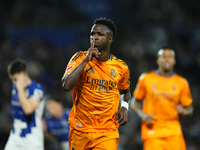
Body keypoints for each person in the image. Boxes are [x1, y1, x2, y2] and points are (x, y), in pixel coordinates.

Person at [61, 17, 131, 150]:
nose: (95, 37)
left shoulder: (121, 67)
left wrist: (124, 107)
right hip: (80, 130)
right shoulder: (79, 58)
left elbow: (126, 92)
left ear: (110, 39)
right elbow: (66, 85)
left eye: (100, 34)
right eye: (92, 34)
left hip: (106, 132)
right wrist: (86, 60)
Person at [130, 46, 193, 150]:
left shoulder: (182, 83)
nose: (167, 59)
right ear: (158, 60)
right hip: (153, 132)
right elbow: (134, 102)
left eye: (170, 57)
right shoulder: (146, 79)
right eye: (163, 56)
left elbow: (189, 109)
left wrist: (185, 112)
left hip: (174, 133)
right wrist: (142, 114)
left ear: (174, 61)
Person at [4, 59, 45, 150]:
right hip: (15, 138)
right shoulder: (15, 88)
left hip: (32, 141)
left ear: (23, 74)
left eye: (15, 79)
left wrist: (20, 88)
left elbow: (28, 109)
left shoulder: (37, 90)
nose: (14, 82)